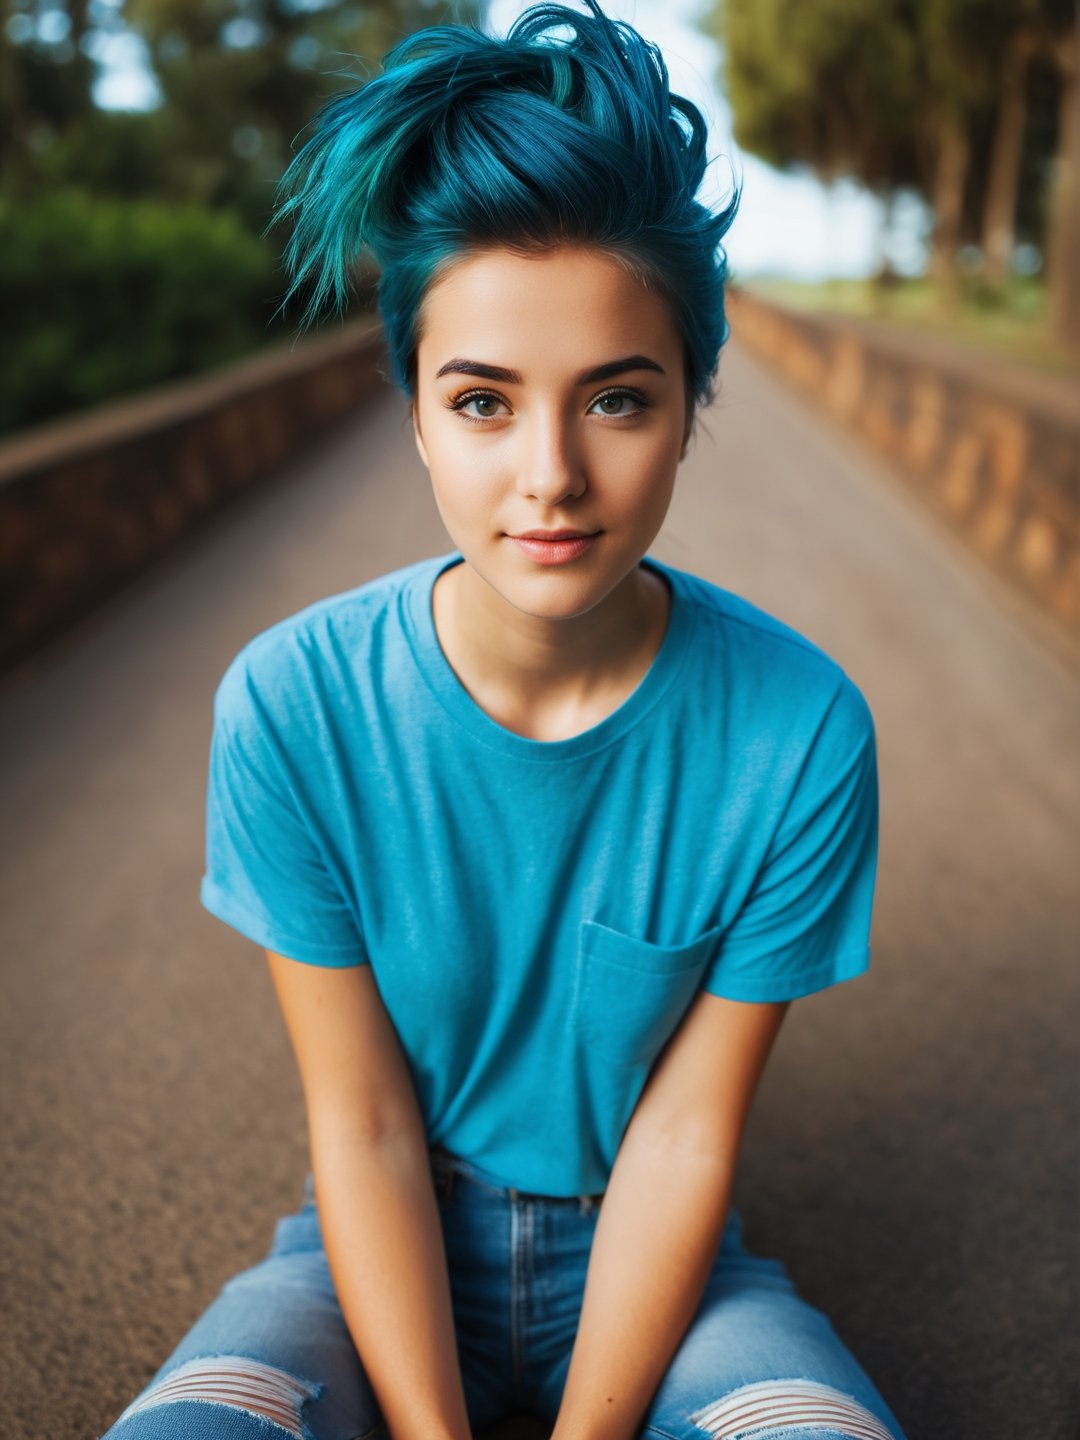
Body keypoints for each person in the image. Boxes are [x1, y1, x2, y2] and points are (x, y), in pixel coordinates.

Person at [101, 4, 908, 1439]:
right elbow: (357, 1124)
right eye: (482, 402)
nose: (551, 476)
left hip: (664, 1267)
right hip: (369, 1257)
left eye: (616, 399)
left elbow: (684, 1132)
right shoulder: (294, 708)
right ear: (413, 412)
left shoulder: (800, 732)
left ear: (690, 402)